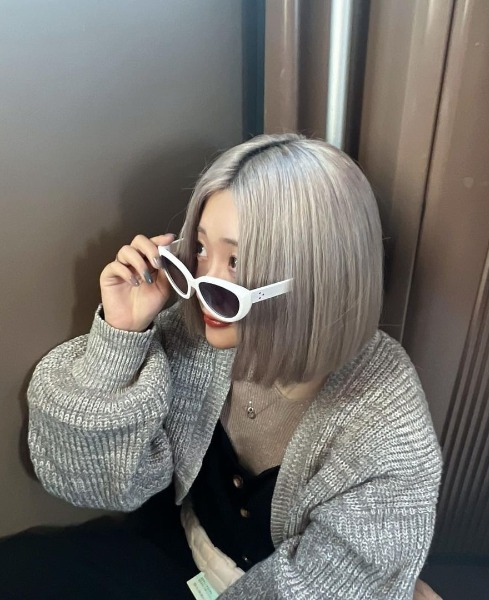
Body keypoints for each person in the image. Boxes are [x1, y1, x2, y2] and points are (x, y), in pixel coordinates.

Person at [1, 133, 442, 599]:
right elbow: (89, 480)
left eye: (236, 261)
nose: (200, 286)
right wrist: (121, 336)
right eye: (200, 251)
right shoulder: (198, 332)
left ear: (317, 278)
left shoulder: (386, 426)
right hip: (179, 544)